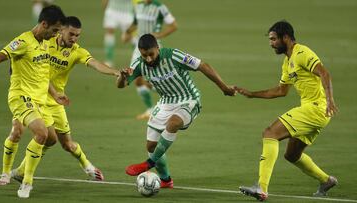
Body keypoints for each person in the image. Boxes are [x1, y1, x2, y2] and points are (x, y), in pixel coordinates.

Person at [10, 16, 121, 184]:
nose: (74, 39)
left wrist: (115, 72)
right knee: (46, 137)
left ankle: (88, 166)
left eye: (77, 35)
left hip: (57, 102)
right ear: (61, 30)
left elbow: (96, 64)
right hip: (37, 99)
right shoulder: (46, 43)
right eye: (71, 34)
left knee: (67, 144)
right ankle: (22, 172)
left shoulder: (77, 51)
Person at [117, 34, 237, 188]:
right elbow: (121, 84)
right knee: (151, 146)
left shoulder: (173, 56)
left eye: (151, 54)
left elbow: (203, 65)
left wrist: (224, 87)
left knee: (173, 123)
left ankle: (149, 163)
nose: (148, 59)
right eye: (144, 55)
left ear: (158, 49)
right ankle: (166, 180)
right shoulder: (139, 64)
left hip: (188, 99)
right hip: (165, 103)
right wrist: (122, 77)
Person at [237, 20, 338, 201]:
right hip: (315, 111)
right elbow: (281, 91)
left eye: (274, 39)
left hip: (316, 108)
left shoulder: (302, 53)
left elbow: (325, 73)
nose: (271, 43)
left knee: (270, 133)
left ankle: (261, 187)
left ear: (286, 37)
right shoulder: (287, 61)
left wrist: (330, 101)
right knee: (292, 155)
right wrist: (252, 94)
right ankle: (326, 180)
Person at [0, 5, 65, 198]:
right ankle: (26, 182)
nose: (55, 35)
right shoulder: (22, 41)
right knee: (41, 134)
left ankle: (15, 173)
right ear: (44, 24)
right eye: (54, 30)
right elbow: (1, 56)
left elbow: (43, 74)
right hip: (21, 97)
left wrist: (54, 94)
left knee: (51, 139)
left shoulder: (44, 43)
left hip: (40, 100)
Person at [123, 0, 178, 120]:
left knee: (158, 78)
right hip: (140, 49)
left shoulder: (160, 7)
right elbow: (135, 23)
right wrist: (127, 33)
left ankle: (172, 98)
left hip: (154, 50)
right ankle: (150, 110)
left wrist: (160, 35)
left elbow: (174, 25)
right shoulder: (139, 6)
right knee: (137, 79)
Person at [102, 0, 136, 66]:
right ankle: (109, 61)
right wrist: (106, 8)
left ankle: (140, 58)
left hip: (127, 11)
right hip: (112, 9)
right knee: (109, 32)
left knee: (131, 36)